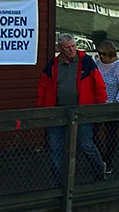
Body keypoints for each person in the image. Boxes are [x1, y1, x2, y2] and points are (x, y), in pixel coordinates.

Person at [37, 33, 108, 181]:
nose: (71, 50)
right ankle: (59, 182)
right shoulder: (52, 66)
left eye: (73, 46)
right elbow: (43, 88)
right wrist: (41, 108)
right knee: (55, 148)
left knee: (85, 145)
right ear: (60, 48)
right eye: (67, 47)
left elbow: (99, 85)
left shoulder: (87, 62)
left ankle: (99, 170)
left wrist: (100, 107)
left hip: (82, 110)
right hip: (57, 111)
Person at [93, 40, 119, 167]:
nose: (102, 58)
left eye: (104, 55)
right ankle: (98, 158)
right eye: (100, 55)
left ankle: (108, 161)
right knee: (93, 134)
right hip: (98, 103)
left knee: (110, 134)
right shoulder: (97, 63)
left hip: (113, 104)